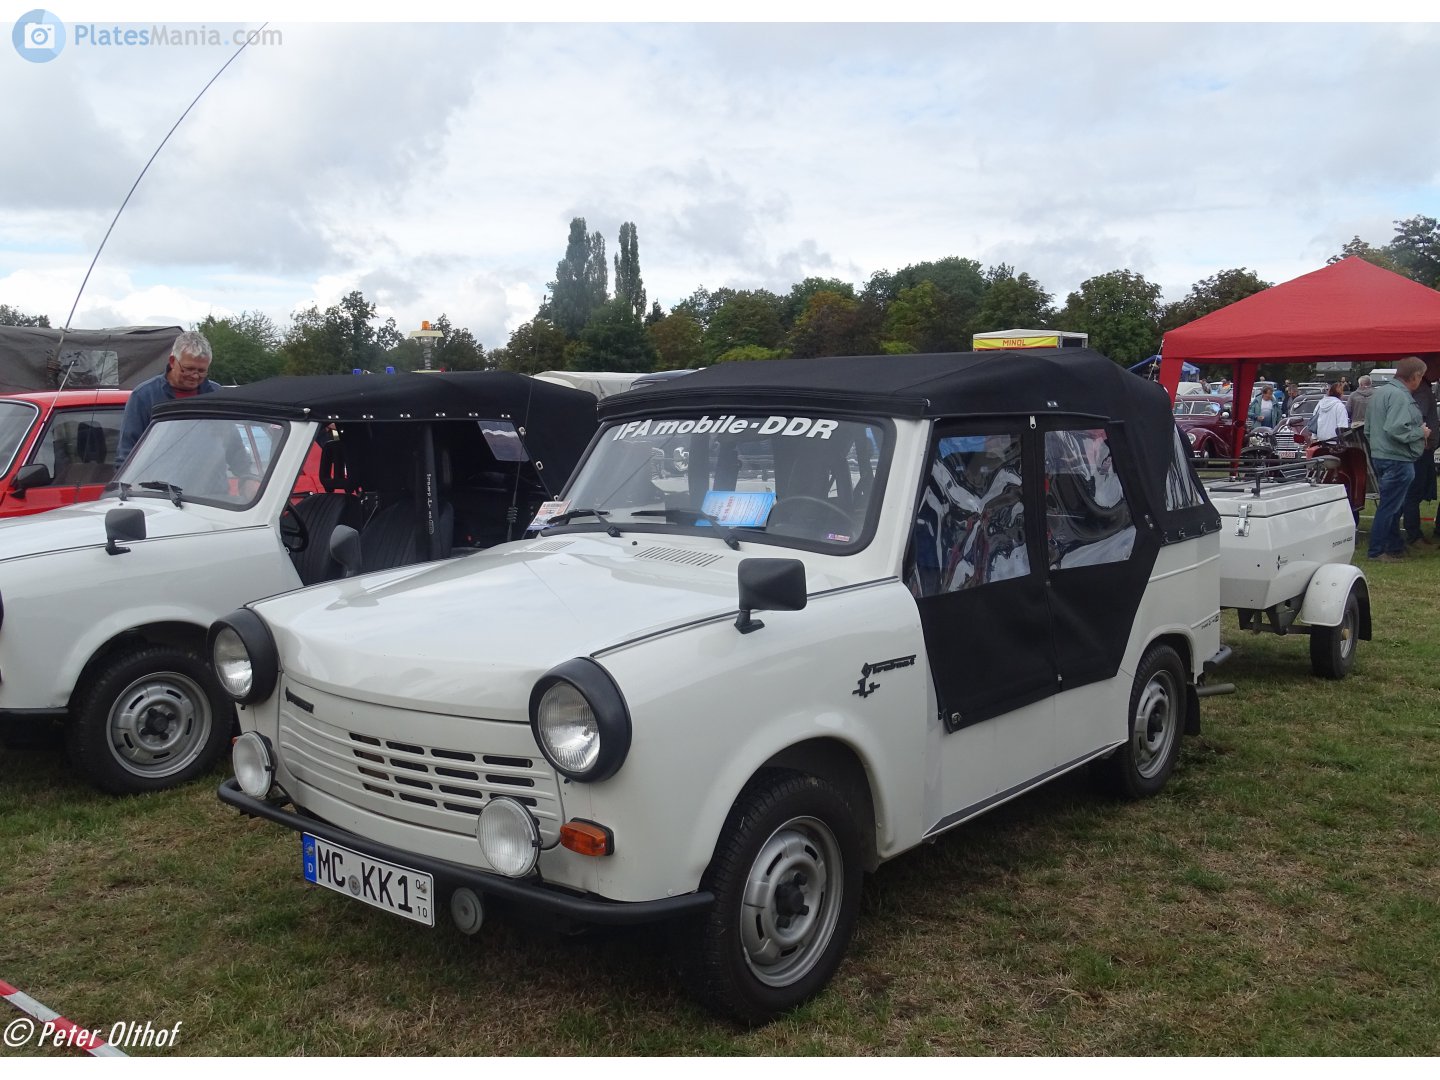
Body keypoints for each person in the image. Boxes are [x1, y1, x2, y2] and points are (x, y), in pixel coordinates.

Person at [115, 330, 222, 468]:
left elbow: (232, 443)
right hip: (158, 486)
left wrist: (246, 475)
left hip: (211, 487)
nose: (195, 376)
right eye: (189, 369)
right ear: (172, 361)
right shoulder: (144, 396)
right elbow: (127, 453)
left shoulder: (217, 395)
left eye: (201, 371)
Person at [1366, 356, 1431, 562]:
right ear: (1416, 376)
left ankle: (1394, 546)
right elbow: (1395, 428)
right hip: (1398, 459)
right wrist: (1420, 433)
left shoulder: (1380, 393)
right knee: (1390, 507)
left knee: (1392, 505)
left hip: (1380, 455)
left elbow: (1368, 429)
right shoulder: (1400, 396)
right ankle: (1377, 551)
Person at [1401, 371, 1439, 546]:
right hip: (1421, 449)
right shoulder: (1423, 391)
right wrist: (1422, 440)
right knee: (1413, 492)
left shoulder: (1422, 389)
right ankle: (1414, 534)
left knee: (1412, 492)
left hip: (1421, 448)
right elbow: (1419, 418)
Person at [1309, 380, 1350, 445]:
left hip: (1321, 441)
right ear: (1341, 393)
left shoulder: (1320, 403)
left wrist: (1314, 437)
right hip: (1335, 442)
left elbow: (1314, 421)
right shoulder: (1340, 406)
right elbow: (1342, 427)